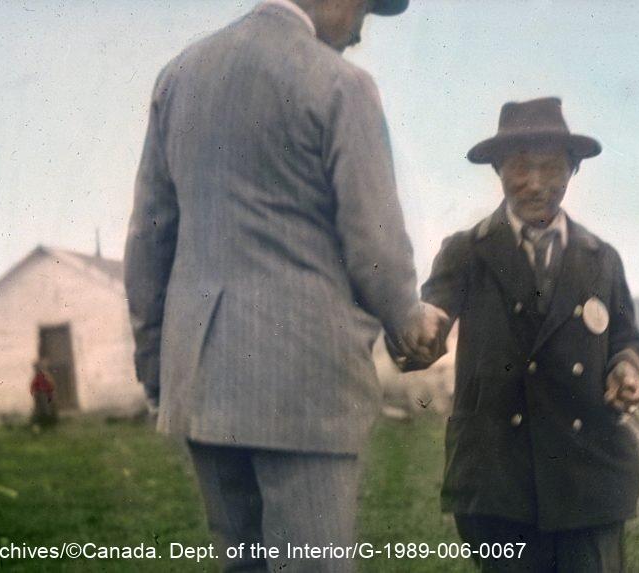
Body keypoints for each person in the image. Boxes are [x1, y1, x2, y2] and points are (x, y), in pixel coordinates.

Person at [124, 1, 447, 571]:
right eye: (364, 13)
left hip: (200, 380)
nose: (358, 35)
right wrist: (406, 319)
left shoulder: (178, 76)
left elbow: (150, 240)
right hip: (303, 383)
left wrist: (158, 371)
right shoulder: (342, 85)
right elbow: (374, 243)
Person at [397, 97, 639, 572]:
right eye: (519, 167)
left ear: (572, 170)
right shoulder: (465, 251)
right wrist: (423, 331)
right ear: (497, 170)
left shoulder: (601, 258)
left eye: (550, 167)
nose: (535, 183)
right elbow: (433, 311)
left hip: (588, 480)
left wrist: (627, 368)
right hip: (499, 483)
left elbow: (628, 339)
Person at [29, 360, 58, 427]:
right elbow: (33, 385)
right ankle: (41, 422)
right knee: (39, 409)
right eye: (37, 368)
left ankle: (48, 422)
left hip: (45, 395)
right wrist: (33, 391)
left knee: (47, 409)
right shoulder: (37, 377)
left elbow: (51, 385)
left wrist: (50, 393)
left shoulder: (46, 376)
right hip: (39, 395)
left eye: (41, 368)